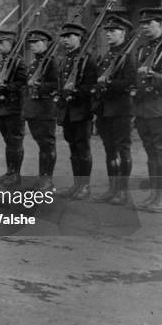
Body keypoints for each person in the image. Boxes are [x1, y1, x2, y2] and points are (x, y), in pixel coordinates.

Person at [133, 8, 162, 212]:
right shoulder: (142, 49)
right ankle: (153, 195)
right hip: (143, 108)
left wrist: (152, 75)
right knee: (150, 152)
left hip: (161, 107)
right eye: (142, 24)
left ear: (160, 25)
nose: (144, 27)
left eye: (148, 23)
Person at [92, 15, 136, 206]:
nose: (108, 34)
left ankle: (123, 191)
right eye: (107, 31)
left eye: (113, 31)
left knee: (122, 149)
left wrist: (108, 83)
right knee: (109, 149)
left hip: (121, 109)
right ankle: (112, 188)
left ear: (123, 33)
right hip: (104, 109)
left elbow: (131, 82)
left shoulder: (129, 56)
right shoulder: (106, 55)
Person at [57, 22, 97, 200]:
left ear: (80, 38)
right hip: (67, 111)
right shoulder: (65, 59)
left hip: (82, 111)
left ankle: (85, 187)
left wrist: (76, 92)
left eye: (70, 37)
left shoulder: (88, 59)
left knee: (83, 148)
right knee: (73, 148)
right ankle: (76, 184)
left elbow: (91, 86)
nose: (65, 40)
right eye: (64, 37)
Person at [23, 29, 58, 191]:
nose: (33, 46)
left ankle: (47, 179)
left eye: (37, 43)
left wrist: (40, 86)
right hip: (34, 109)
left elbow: (56, 84)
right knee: (41, 144)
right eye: (32, 43)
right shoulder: (35, 62)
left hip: (45, 108)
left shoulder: (51, 62)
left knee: (47, 144)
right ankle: (42, 176)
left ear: (45, 43)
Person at [0, 29, 27, 187]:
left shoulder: (18, 61)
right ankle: (9, 171)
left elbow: (23, 82)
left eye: (1, 42)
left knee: (15, 141)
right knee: (8, 140)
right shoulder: (2, 61)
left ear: (11, 43)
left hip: (14, 107)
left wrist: (6, 87)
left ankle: (16, 174)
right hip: (2, 107)